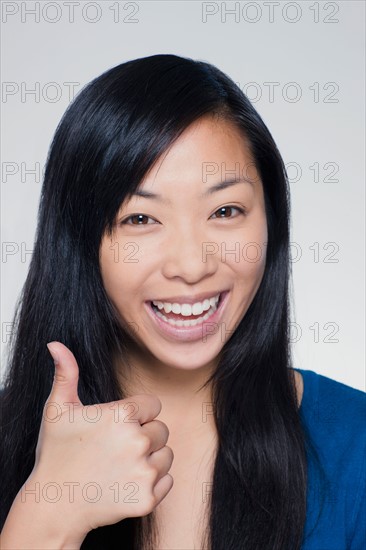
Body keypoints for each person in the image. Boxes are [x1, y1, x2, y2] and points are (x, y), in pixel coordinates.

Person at [0, 54, 365, 550]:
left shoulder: (354, 445)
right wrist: (47, 515)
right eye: (140, 219)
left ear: (271, 221)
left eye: (225, 210)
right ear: (80, 241)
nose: (192, 266)